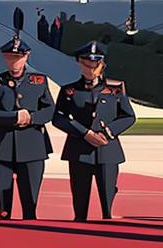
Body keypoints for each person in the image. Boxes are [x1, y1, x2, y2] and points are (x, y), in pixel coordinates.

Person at [52, 41, 136, 221]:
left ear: (102, 65)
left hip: (107, 149)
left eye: (95, 65)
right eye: (86, 64)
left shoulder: (115, 90)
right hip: (79, 148)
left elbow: (129, 116)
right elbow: (59, 118)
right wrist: (85, 133)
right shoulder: (69, 90)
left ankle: (108, 222)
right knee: (80, 197)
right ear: (79, 63)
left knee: (107, 196)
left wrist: (108, 133)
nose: (90, 69)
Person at [0, 35, 54, 220]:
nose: (14, 61)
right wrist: (13, 117)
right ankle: (4, 221)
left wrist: (31, 118)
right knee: (4, 200)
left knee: (30, 198)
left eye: (18, 57)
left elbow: (50, 109)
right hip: (1, 143)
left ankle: (30, 222)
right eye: (10, 57)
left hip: (32, 143)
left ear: (26, 56)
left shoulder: (39, 81)